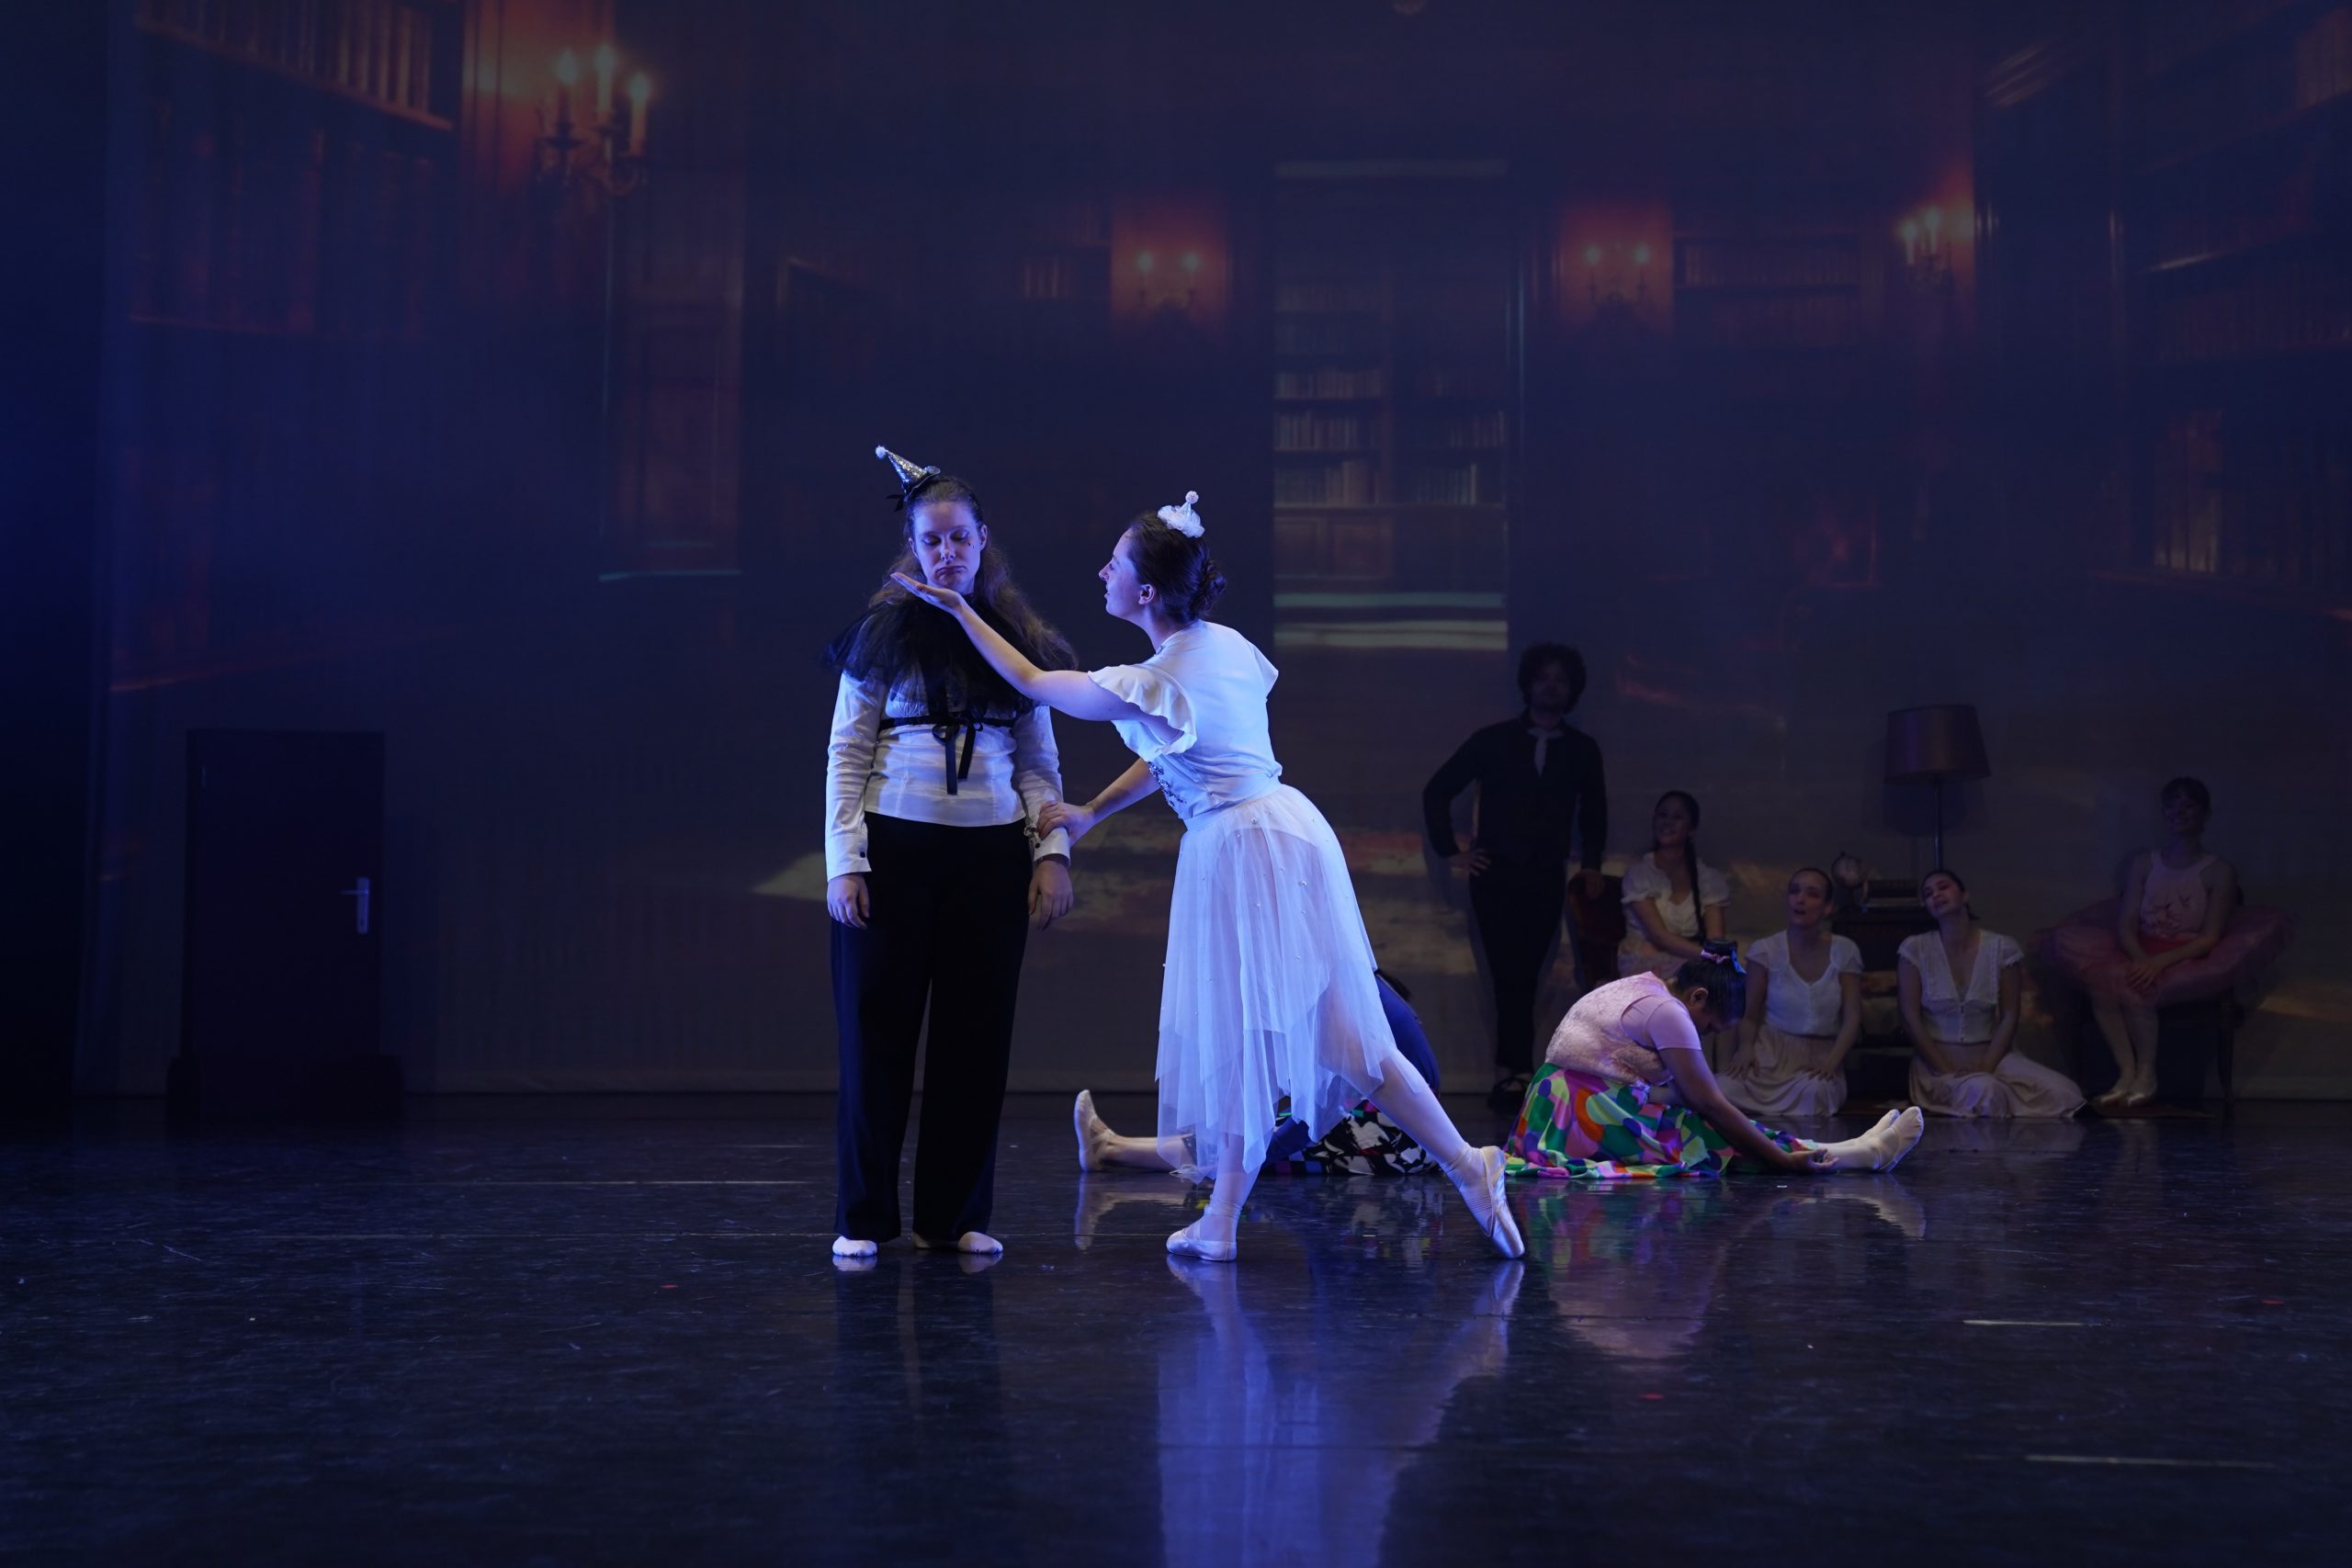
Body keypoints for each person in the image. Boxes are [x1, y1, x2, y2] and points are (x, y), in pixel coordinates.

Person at [892, 489, 1523, 1262]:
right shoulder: (1217, 647)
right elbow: (1171, 749)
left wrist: (960, 609)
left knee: (1261, 1038)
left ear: (1146, 591)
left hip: (1245, 851)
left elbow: (1029, 680)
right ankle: (1449, 1169)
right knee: (1344, 1042)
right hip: (1285, 833)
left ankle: (1249, 1215)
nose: (1103, 572)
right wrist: (1091, 811)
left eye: (1116, 564)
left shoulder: (1154, 677)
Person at [824, 446, 1077, 1262]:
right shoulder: (879, 636)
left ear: (982, 540)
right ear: (912, 545)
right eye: (931, 540)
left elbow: (1039, 763)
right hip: (894, 851)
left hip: (990, 858)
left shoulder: (1017, 639)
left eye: (960, 537)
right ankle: (864, 1217)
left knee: (976, 1038)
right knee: (876, 1038)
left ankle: (954, 1214)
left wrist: (1052, 850)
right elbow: (846, 752)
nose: (947, 553)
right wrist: (845, 860)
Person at [1506, 942, 1924, 1179]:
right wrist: (1779, 1161)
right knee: (1701, 1133)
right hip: (1580, 1113)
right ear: (1698, 997)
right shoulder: (1669, 1012)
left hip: (1558, 1107)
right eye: (1709, 1027)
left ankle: (1848, 1149)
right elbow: (1709, 1103)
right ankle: (1852, 1156)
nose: (1704, 1036)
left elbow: (1680, 1094)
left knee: (1696, 1121)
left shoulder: (1647, 987)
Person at [1421, 643, 1608, 1110]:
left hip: (1546, 874)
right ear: (1528, 684)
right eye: (1543, 677)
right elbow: (1437, 791)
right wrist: (1453, 852)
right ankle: (1513, 1072)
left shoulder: (1582, 749)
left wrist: (1591, 865)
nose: (1551, 686)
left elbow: (1595, 813)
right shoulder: (1493, 740)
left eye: (1560, 679)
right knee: (1505, 972)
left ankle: (1517, 1071)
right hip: (1497, 873)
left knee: (1530, 972)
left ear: (1572, 688)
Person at [2035, 777, 2294, 1109]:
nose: (2178, 813)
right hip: (2139, 948)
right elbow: (2127, 921)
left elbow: (2209, 936)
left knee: (2137, 992)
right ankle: (2126, 1072)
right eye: (2172, 806)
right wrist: (2140, 957)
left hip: (2183, 955)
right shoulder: (2144, 863)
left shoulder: (2219, 871)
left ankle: (2147, 1073)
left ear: (2205, 815)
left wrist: (2158, 963)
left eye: (2187, 806)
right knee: (2103, 986)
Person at [1074, 972, 1443, 1178]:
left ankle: (1111, 1149)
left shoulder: (1342, 998)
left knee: (1247, 1146)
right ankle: (1110, 1145)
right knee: (1245, 1137)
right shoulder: (1351, 981)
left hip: (1399, 1138)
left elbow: (1322, 1108)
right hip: (1385, 1120)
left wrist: (1245, 1161)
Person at [1898, 869, 2084, 1118]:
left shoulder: (2002, 948)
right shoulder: (1916, 949)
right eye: (1928, 893)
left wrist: (1987, 1066)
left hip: (1993, 1058)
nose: (1936, 895)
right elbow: (1910, 1017)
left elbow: (2010, 1015)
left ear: (1965, 895)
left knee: (2066, 1093)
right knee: (1985, 1091)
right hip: (1938, 1066)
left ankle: (2008, 1112)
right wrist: (1945, 1068)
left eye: (1943, 887)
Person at [1718, 866, 1863, 1119]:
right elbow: (1749, 1014)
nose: (1800, 899)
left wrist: (1832, 1062)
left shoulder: (1844, 950)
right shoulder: (1766, 950)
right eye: (1795, 891)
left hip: (1819, 1058)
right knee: (1723, 1089)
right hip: (1770, 1055)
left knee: (1815, 1094)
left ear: (1828, 907)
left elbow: (1852, 1017)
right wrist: (1746, 1048)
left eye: (1812, 894)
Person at [1618, 790, 1730, 980]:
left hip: (1691, 958)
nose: (1667, 822)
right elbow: (1659, 936)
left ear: (1691, 829)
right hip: (1646, 960)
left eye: (1677, 817)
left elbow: (1715, 937)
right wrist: (1708, 956)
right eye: (1663, 815)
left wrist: (1715, 957)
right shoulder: (1641, 875)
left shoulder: (1708, 879)